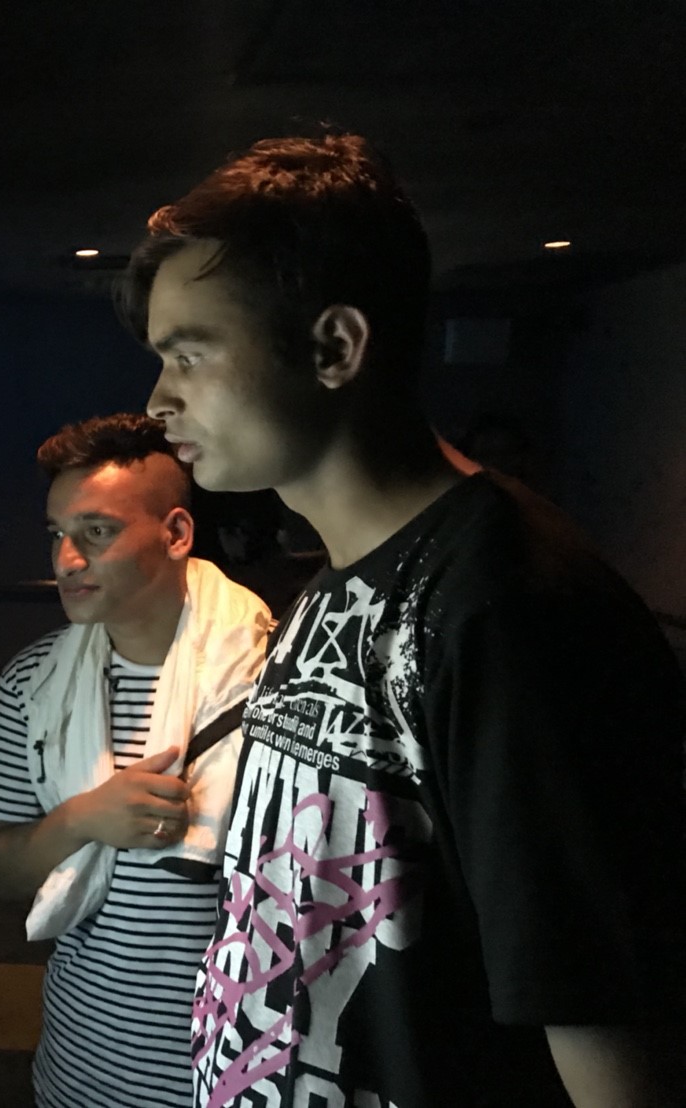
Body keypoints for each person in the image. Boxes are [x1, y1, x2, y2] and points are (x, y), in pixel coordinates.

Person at [121, 132, 684, 1106]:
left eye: (189, 355)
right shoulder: (336, 583)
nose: (158, 401)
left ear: (334, 347)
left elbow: (610, 1032)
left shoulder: (506, 606)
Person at [0, 414, 270, 1108]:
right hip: (82, 1069)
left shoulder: (274, 680)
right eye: (56, 534)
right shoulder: (34, 684)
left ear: (176, 533)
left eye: (97, 532)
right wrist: (81, 819)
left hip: (238, 1075)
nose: (66, 560)